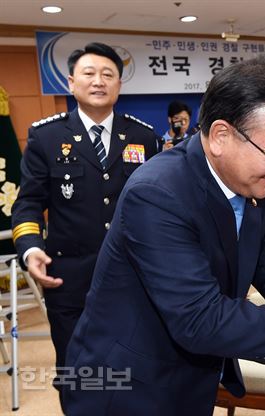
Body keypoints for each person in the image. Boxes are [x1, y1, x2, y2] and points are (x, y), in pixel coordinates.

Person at [62, 55, 265, 415]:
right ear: (221, 136)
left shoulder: (252, 179)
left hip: (193, 377)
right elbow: (199, 318)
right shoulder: (157, 193)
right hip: (126, 386)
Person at [11, 42, 160, 406]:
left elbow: (158, 206)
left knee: (134, 365)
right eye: (89, 74)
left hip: (135, 276)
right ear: (71, 82)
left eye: (108, 74)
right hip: (71, 278)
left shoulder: (143, 137)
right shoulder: (46, 136)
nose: (98, 81)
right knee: (79, 372)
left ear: (119, 85)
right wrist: (31, 249)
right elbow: (29, 202)